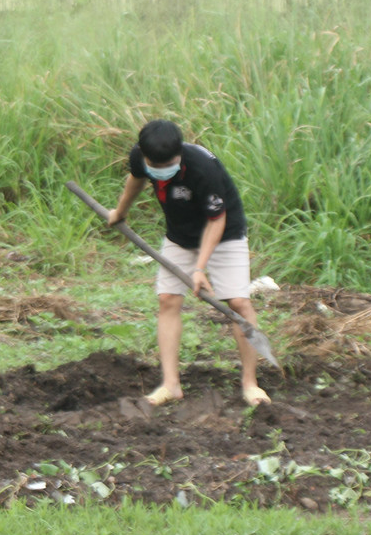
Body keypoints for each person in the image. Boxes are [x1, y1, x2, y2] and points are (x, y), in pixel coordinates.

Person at [106, 119, 270, 407]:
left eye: (168, 163)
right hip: (180, 236)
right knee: (168, 299)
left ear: (179, 152)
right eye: (155, 164)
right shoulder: (141, 156)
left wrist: (199, 269)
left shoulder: (204, 168)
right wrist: (120, 212)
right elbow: (136, 178)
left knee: (239, 303)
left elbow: (216, 221)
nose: (161, 169)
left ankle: (250, 384)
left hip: (224, 234)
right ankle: (171, 385)